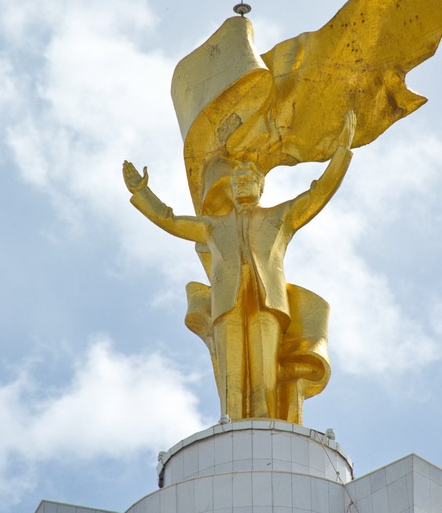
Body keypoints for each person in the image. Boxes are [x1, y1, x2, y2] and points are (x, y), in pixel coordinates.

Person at [123, 111, 355, 420]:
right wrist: (142, 192)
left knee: (263, 369)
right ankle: (229, 420)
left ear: (261, 188)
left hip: (266, 301)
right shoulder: (212, 226)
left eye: (249, 180)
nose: (242, 184)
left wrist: (342, 151)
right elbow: (170, 220)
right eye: (237, 181)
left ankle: (265, 421)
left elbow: (318, 193)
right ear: (231, 190)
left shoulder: (279, 217)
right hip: (227, 301)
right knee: (232, 370)